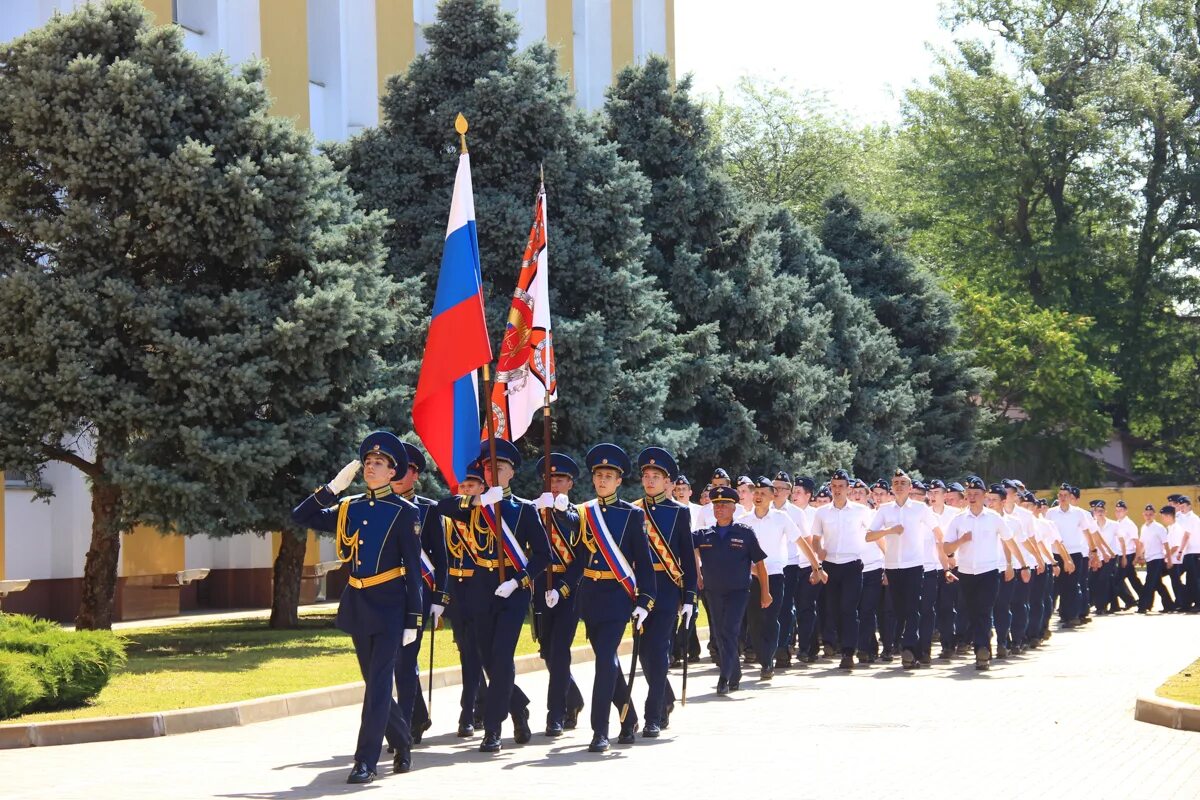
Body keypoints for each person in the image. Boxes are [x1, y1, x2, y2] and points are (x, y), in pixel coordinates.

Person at [291, 432, 423, 784]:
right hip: (359, 603)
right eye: (367, 462)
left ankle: (365, 761)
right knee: (373, 682)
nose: (370, 467)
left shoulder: (404, 512)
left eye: (379, 463)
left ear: (393, 472)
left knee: (379, 684)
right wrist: (332, 488)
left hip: (392, 606)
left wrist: (414, 617)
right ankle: (402, 741)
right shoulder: (349, 507)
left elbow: (413, 569)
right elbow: (300, 516)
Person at [438, 439, 551, 754]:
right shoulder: (473, 505)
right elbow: (441, 507)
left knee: (501, 658)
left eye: (499, 467)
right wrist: (477, 501)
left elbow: (542, 555)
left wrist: (518, 581)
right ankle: (518, 708)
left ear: (511, 472)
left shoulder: (524, 510)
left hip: (511, 593)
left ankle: (492, 729)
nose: (492, 471)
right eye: (488, 467)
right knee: (488, 661)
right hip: (479, 591)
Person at [573, 443, 656, 753]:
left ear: (619, 481)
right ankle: (628, 716)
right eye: (599, 475)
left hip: (618, 596)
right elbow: (577, 556)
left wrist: (645, 601)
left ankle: (599, 730)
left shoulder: (632, 515)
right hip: (591, 596)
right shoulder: (583, 513)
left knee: (605, 661)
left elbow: (644, 564)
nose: (603, 481)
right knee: (607, 662)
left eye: (609, 476)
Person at [388, 441, 449, 761]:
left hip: (418, 594)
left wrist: (439, 598)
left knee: (405, 659)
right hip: (382, 593)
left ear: (415, 474)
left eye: (406, 469)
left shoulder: (428, 509)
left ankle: (408, 723)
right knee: (394, 661)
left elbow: (441, 557)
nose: (398, 474)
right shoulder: (381, 505)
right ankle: (416, 716)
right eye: (394, 468)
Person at [631, 446, 698, 737]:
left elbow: (687, 557)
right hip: (639, 591)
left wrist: (690, 597)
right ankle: (665, 697)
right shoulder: (633, 510)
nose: (649, 481)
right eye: (646, 475)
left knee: (658, 651)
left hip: (668, 590)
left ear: (667, 481)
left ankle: (653, 715)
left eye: (655, 476)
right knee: (645, 653)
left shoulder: (679, 513)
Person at [865, 469, 948, 668]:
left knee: (912, 608)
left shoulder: (920, 509)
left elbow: (938, 532)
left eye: (903, 483)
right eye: (896, 483)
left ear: (910, 488)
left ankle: (909, 649)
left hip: (914, 564)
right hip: (892, 565)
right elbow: (869, 536)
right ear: (892, 488)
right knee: (900, 610)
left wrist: (946, 557)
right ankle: (912, 649)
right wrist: (890, 530)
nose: (899, 486)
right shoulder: (884, 510)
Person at [694, 485, 772, 694]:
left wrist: (765, 592)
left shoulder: (744, 533)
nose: (719, 509)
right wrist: (698, 575)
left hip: (738, 591)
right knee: (720, 634)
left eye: (724, 505)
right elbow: (686, 547)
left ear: (734, 508)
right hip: (713, 592)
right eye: (716, 505)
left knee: (729, 630)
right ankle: (734, 675)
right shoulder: (704, 534)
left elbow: (761, 565)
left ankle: (724, 677)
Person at [531, 452, 586, 737]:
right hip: (540, 586)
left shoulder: (577, 514)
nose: (554, 484)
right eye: (550, 479)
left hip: (568, 589)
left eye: (561, 479)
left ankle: (556, 713)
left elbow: (580, 555)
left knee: (560, 650)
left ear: (570, 484)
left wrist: (563, 587)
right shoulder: (534, 511)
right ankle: (573, 698)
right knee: (547, 652)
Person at [942, 476, 1015, 671]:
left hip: (989, 572)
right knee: (973, 613)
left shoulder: (994, 518)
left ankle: (982, 650)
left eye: (977, 494)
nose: (972, 497)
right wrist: (961, 541)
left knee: (984, 610)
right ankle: (982, 646)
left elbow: (1008, 540)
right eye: (969, 494)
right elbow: (946, 547)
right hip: (966, 573)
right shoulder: (958, 519)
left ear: (984, 496)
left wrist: (1011, 564)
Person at [441, 460, 489, 736]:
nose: (466, 490)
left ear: (483, 487)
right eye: (463, 485)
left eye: (472, 485)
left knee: (482, 654)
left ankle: (475, 709)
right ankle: (471, 710)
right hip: (457, 593)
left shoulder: (488, 515)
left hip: (480, 588)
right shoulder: (451, 516)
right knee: (467, 653)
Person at [809, 469, 872, 670]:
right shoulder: (822, 512)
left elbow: (871, 533)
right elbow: (815, 540)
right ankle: (839, 643)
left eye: (841, 487)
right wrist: (819, 555)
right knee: (833, 610)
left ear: (848, 489)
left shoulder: (861, 511)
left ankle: (848, 652)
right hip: (830, 566)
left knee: (849, 608)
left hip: (852, 564)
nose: (837, 490)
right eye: (834, 486)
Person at [1045, 483, 1098, 628]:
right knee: (1059, 586)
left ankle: (1072, 616)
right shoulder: (1051, 513)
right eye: (1060, 495)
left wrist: (1093, 551)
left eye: (1065, 496)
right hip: (1056, 553)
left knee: (1072, 585)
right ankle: (1061, 615)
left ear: (1070, 497)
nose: (1063, 498)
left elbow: (1087, 532)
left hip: (1074, 553)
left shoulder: (1079, 513)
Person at [1138, 505, 1174, 613]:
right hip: (1149, 558)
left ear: (1154, 515)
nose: (1148, 516)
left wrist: (1169, 559)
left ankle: (1143, 606)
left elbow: (1166, 544)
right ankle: (1169, 605)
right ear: (1143, 515)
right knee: (1157, 583)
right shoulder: (1144, 527)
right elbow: (1143, 544)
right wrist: (1140, 556)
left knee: (1149, 582)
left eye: (1150, 514)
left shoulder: (1159, 527)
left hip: (1157, 558)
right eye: (1146, 514)